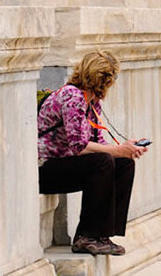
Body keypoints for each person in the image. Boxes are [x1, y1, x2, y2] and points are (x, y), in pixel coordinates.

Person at [37, 50, 144, 256]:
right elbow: (79, 146)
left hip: (65, 166)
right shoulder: (72, 96)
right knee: (103, 161)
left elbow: (97, 143)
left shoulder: (91, 102)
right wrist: (117, 150)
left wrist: (125, 149)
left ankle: (102, 234)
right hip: (45, 169)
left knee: (124, 163)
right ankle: (86, 236)